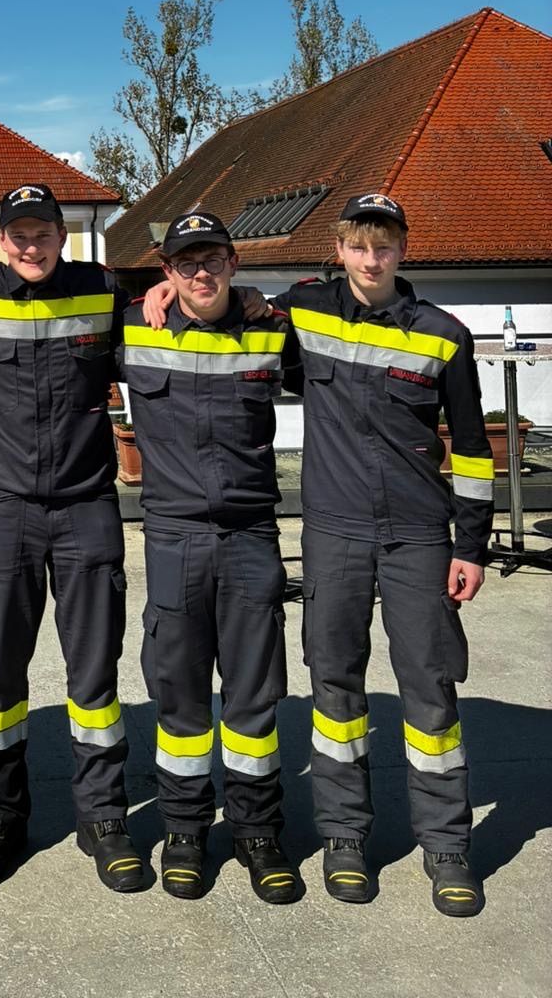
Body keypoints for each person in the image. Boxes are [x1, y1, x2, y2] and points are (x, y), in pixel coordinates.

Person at [145, 193, 493, 916]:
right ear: (338, 249)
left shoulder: (444, 334)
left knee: (430, 688)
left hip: (420, 535)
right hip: (333, 531)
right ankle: (343, 838)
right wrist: (164, 287)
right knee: (335, 690)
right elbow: (232, 299)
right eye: (360, 246)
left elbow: (474, 447)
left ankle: (447, 845)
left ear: (404, 251)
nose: (372, 259)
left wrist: (472, 544)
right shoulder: (304, 310)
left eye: (386, 246)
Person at [0, 184, 147, 893]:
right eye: (18, 235)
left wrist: (254, 304)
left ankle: (104, 819)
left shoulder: (103, 291)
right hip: (5, 507)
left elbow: (169, 319)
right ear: (1, 240)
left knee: (94, 675)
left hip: (86, 502)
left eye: (44, 233)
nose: (30, 246)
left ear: (64, 236)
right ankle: (0, 820)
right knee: (0, 679)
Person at [117, 210, 300, 904]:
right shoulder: (134, 326)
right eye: (185, 262)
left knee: (254, 696)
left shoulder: (271, 328)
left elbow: (337, 302)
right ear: (165, 271)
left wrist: (274, 302)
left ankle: (258, 832)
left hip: (252, 536)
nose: (200, 272)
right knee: (180, 697)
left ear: (233, 263)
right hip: (174, 538)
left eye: (212, 259)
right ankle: (186, 832)